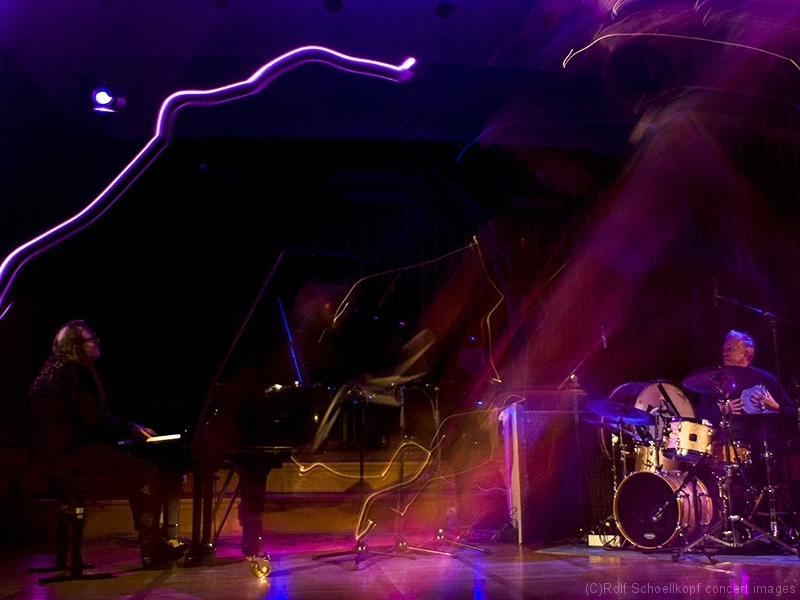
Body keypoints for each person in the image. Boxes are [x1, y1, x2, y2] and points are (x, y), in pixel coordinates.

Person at [28, 320, 188, 570]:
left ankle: (154, 544)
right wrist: (132, 429)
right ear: (77, 346)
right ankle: (152, 549)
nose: (97, 341)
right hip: (75, 458)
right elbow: (96, 419)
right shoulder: (76, 371)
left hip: (51, 461)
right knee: (149, 474)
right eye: (92, 338)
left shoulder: (47, 373)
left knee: (133, 469)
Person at [695, 330, 793, 424]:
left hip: (762, 434)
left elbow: (793, 413)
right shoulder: (715, 381)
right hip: (725, 435)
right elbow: (699, 418)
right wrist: (720, 410)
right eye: (724, 350)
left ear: (745, 354)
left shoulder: (765, 379)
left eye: (730, 349)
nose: (724, 354)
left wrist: (776, 407)